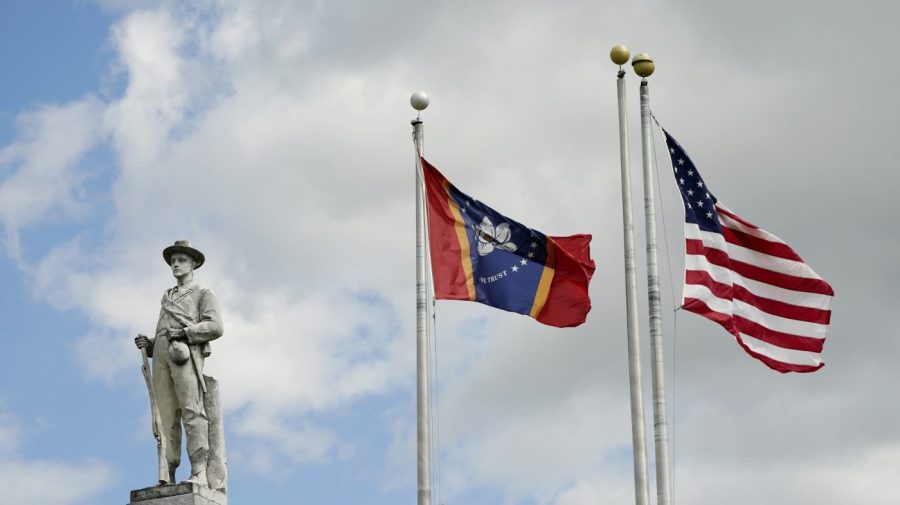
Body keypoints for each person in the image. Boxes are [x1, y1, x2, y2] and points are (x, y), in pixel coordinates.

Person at [135, 240, 224, 487]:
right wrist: (151, 344)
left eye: (181, 260)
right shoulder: (167, 296)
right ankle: (167, 473)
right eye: (173, 260)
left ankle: (199, 471)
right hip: (163, 355)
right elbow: (164, 330)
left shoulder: (203, 293)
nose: (176, 264)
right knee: (164, 417)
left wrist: (186, 332)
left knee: (191, 411)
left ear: (193, 263)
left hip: (185, 354)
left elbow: (216, 327)